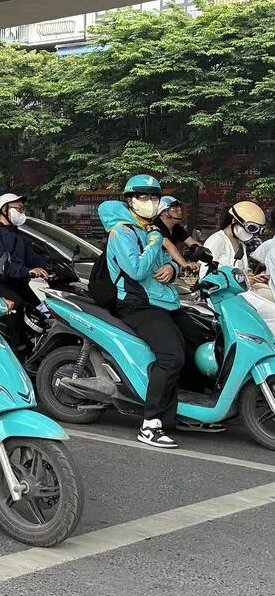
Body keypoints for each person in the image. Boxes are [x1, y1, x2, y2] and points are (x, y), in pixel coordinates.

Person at [101, 174, 211, 448]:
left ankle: (186, 412)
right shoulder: (122, 233)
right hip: (137, 304)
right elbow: (137, 270)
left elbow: (167, 263)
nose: (149, 202)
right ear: (129, 201)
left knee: (196, 344)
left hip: (165, 301)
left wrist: (173, 267)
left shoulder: (148, 230)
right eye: (142, 197)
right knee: (171, 356)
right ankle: (151, 423)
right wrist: (153, 240)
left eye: (153, 197)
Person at [0, 193, 50, 346]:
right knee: (15, 307)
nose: (21, 212)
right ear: (4, 209)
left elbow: (32, 257)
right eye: (18, 208)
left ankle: (35, 348)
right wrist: (28, 271)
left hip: (15, 282)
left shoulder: (17, 235)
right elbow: (1, 266)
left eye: (22, 209)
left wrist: (48, 267)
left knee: (43, 310)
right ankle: (17, 350)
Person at [201, 201, 275, 333]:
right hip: (222, 297)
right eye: (250, 228)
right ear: (234, 220)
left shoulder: (241, 244)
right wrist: (244, 279)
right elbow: (205, 277)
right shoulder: (217, 240)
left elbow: (242, 272)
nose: (251, 234)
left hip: (239, 293)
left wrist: (252, 277)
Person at [152, 196, 201, 276]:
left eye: (179, 208)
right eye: (175, 209)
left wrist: (207, 254)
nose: (180, 211)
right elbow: (169, 246)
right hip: (156, 269)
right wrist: (185, 264)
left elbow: (191, 242)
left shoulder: (176, 227)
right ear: (165, 212)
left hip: (169, 268)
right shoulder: (156, 226)